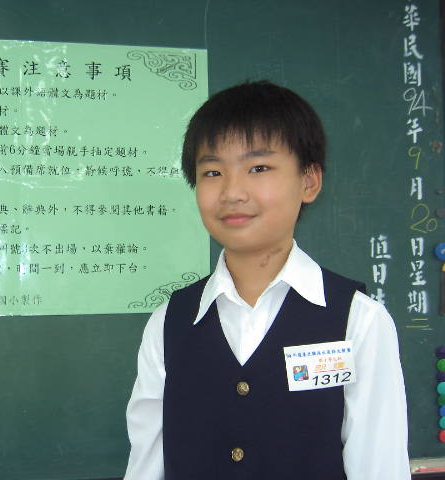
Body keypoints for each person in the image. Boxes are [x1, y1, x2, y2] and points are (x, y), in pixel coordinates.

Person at [124, 80, 410, 479]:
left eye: (258, 168)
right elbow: (146, 466)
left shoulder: (358, 322)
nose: (232, 192)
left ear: (309, 182)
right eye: (212, 171)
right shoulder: (169, 323)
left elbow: (379, 468)